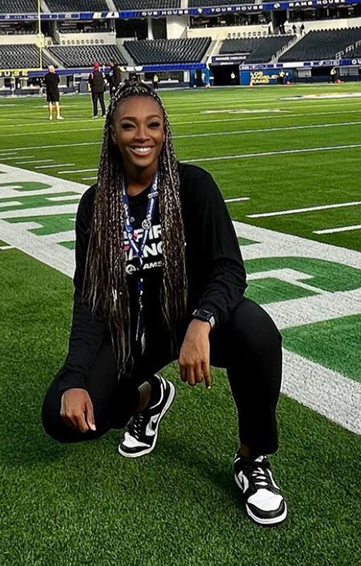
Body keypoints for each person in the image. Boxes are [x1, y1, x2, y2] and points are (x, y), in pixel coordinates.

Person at [41, 79, 287, 527]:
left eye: (153, 125)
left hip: (193, 320)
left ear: (165, 131)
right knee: (60, 418)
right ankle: (149, 397)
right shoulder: (96, 204)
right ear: (112, 133)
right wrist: (75, 376)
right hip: (134, 330)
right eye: (129, 126)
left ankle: (252, 459)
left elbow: (230, 270)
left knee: (257, 332)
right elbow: (89, 298)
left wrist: (202, 322)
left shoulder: (193, 186)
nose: (142, 136)